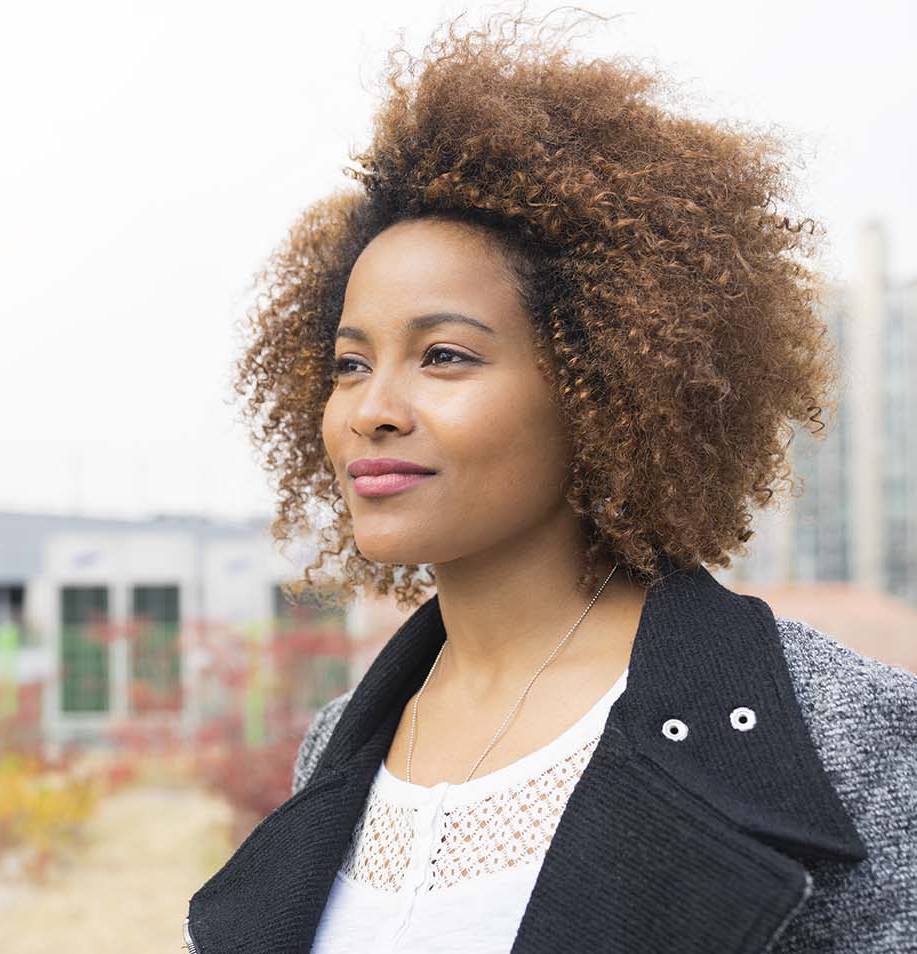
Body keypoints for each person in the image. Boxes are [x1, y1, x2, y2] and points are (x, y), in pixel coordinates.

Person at [183, 9, 917, 954]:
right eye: (350, 365)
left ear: (600, 382)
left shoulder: (844, 738)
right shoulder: (337, 746)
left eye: (444, 355)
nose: (373, 409)